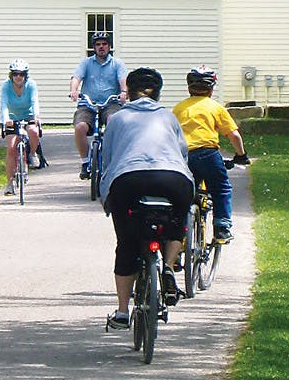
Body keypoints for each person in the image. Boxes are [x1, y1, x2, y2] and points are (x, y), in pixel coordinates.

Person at [99, 67, 194, 330]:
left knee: (127, 243)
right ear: (158, 93)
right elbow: (182, 153)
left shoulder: (118, 119)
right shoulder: (168, 117)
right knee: (176, 224)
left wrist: (105, 194)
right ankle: (168, 267)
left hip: (129, 179)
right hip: (172, 178)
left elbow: (106, 160)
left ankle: (121, 311)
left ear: (127, 92)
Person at [172, 65, 250, 242]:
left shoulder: (179, 109)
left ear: (189, 88)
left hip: (183, 156)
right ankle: (222, 227)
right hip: (208, 154)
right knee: (221, 188)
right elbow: (234, 135)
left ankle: (180, 238)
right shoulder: (215, 108)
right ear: (212, 89)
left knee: (184, 193)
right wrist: (241, 155)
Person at [68, 31, 128, 179]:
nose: (101, 47)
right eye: (98, 44)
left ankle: (113, 159)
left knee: (114, 121)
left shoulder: (117, 64)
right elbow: (76, 77)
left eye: (104, 44)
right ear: (94, 47)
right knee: (80, 127)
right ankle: (85, 162)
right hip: (88, 104)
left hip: (110, 104)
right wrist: (74, 90)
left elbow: (123, 79)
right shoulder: (86, 63)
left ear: (109, 46)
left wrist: (124, 92)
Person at [0, 59, 41, 195]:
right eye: (15, 74)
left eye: (21, 74)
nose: (18, 77)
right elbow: (4, 104)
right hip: (12, 117)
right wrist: (6, 120)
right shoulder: (6, 86)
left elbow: (34, 101)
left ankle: (32, 153)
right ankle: (10, 183)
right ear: (11, 75)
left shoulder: (31, 85)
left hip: (27, 114)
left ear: (26, 76)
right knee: (11, 148)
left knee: (33, 131)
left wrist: (36, 116)